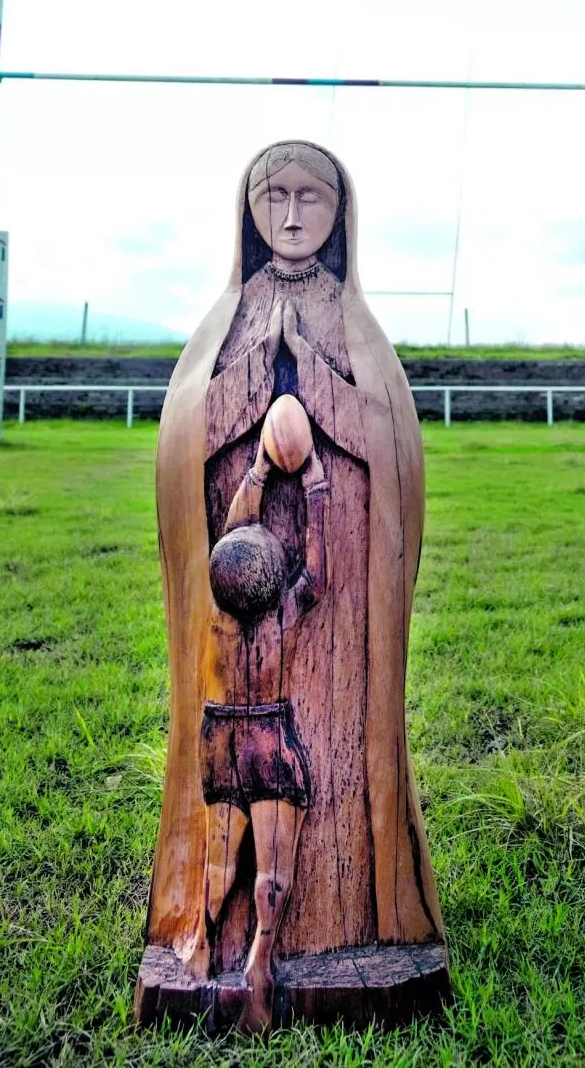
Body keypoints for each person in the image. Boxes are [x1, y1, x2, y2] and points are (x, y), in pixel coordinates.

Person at [144, 141, 444, 1015]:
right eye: (274, 197)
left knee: (336, 755)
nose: (292, 216)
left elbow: (384, 441)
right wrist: (258, 379)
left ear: (339, 213)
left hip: (337, 589)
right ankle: (219, 934)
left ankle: (346, 921)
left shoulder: (355, 328)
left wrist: (307, 377)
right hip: (237, 604)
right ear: (248, 211)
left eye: (311, 199)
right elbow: (187, 439)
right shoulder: (227, 321)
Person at [187, 421, 327, 1030]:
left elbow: (231, 536)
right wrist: (314, 483)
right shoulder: (282, 618)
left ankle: (198, 943)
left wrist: (259, 471)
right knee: (272, 869)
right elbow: (317, 572)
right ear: (274, 577)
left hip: (221, 737)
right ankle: (259, 961)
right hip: (268, 736)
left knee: (220, 867)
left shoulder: (219, 613)